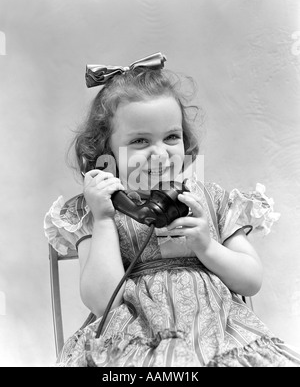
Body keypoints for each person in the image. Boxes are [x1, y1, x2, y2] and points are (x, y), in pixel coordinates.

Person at [44, 53, 300, 367]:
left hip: (217, 338)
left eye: (171, 137)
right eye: (139, 140)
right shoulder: (96, 210)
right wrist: (104, 219)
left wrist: (207, 247)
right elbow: (102, 302)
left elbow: (250, 281)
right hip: (136, 341)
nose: (160, 153)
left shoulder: (212, 200)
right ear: (105, 151)